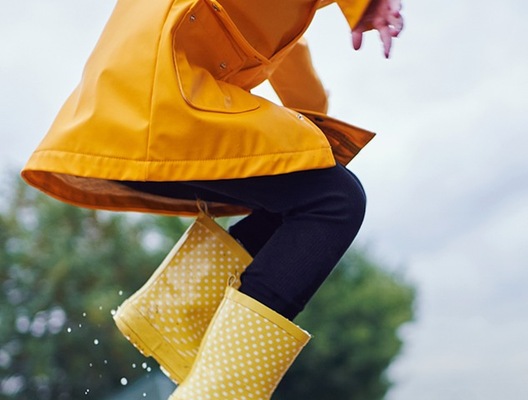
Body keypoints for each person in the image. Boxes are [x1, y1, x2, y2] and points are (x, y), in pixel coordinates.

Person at [20, 0, 403, 398]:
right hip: (162, 98)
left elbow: (290, 53)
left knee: (307, 197)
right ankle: (212, 387)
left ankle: (179, 312)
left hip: (138, 104)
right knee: (335, 202)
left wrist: (307, 144)